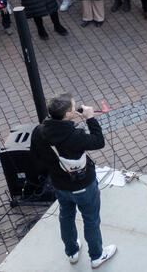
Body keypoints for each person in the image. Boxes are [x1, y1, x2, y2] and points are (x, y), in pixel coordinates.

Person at [29, 93, 117, 268]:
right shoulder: (74, 136)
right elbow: (99, 141)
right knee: (91, 219)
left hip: (60, 184)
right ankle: (97, 256)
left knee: (66, 216)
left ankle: (72, 252)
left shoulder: (39, 132)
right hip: (83, 185)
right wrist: (90, 118)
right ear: (68, 114)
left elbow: (36, 157)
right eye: (73, 107)